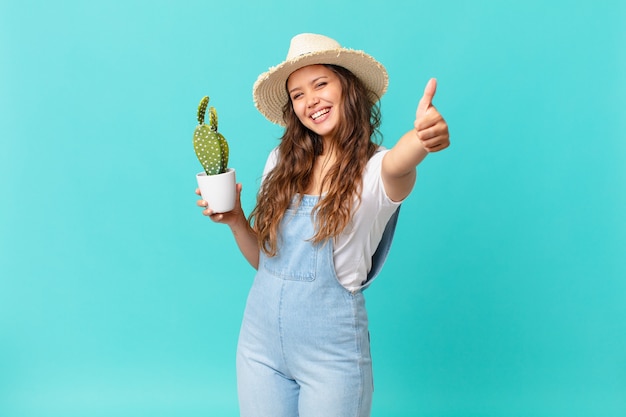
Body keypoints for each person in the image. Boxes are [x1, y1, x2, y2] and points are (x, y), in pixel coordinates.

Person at [196, 33, 450, 417]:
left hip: (332, 357)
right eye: (297, 94)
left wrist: (423, 137)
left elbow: (402, 160)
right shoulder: (280, 162)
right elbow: (268, 265)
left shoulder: (376, 171)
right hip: (259, 347)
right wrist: (235, 221)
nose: (309, 100)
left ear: (347, 88)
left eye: (320, 84)